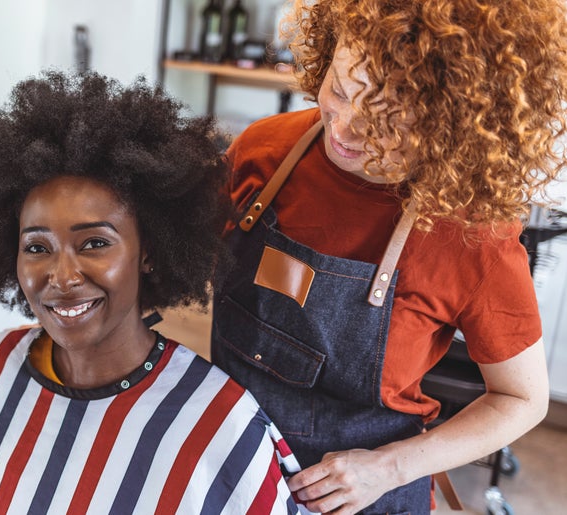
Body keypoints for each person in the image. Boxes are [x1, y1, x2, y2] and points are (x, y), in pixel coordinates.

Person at [0, 71, 314, 514]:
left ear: (149, 250)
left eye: (94, 243)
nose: (62, 275)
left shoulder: (219, 422)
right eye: (37, 247)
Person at [211, 0, 567, 513]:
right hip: (229, 464)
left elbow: (522, 400)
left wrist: (389, 468)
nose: (345, 130)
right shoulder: (262, 152)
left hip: (366, 492)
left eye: (387, 120)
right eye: (340, 88)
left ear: (455, 122)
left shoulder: (470, 235)